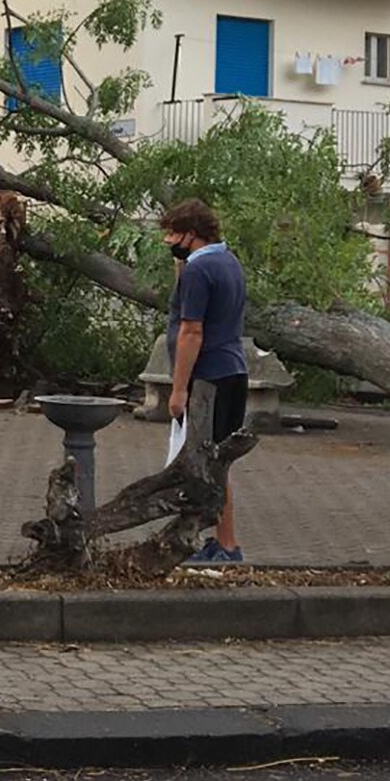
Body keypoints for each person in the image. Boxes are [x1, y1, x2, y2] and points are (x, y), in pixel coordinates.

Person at [162, 198, 248, 563]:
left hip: (208, 378)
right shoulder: (226, 261)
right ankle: (223, 541)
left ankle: (217, 544)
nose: (167, 241)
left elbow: (191, 330)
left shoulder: (201, 271)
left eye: (172, 234)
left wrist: (179, 388)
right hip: (233, 370)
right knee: (216, 463)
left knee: (202, 464)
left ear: (191, 235)